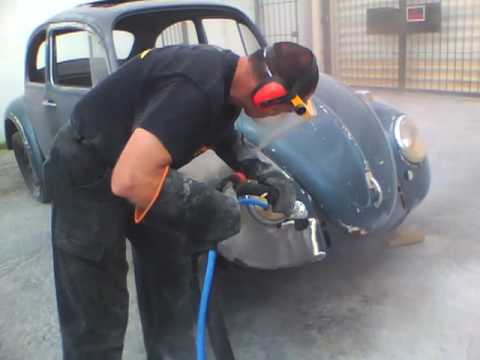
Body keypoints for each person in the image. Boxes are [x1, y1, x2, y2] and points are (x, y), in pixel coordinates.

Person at [46, 41, 319, 359]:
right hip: (87, 171)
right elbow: (130, 180)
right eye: (285, 108)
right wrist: (222, 210)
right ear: (269, 94)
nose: (280, 115)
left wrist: (269, 174)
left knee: (170, 280)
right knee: (96, 312)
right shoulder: (192, 88)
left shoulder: (229, 78)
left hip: (141, 167)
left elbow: (220, 129)